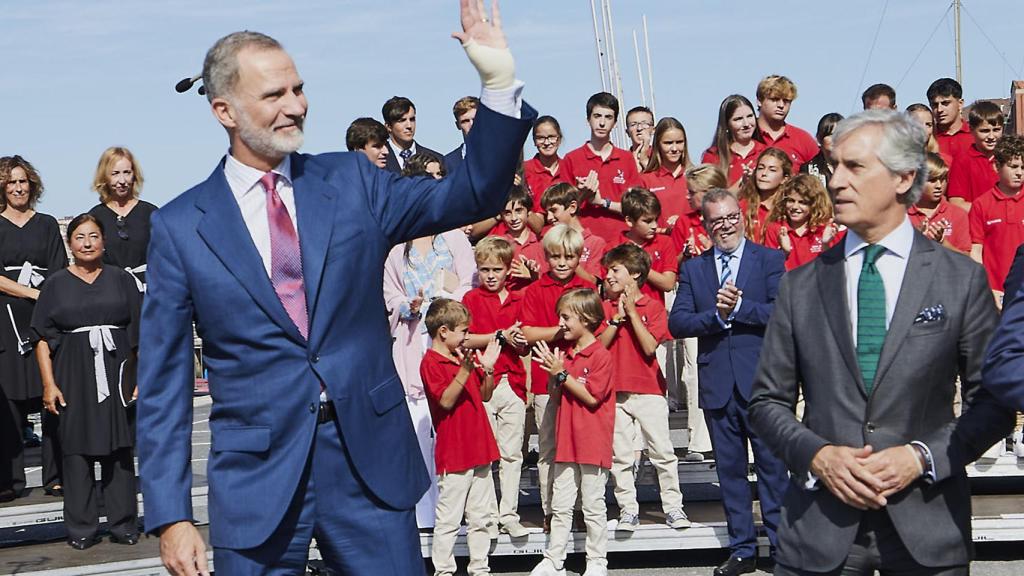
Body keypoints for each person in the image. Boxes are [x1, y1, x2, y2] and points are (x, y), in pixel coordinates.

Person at [136, 6, 536, 573]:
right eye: (274, 94)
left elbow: (470, 194)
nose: (296, 105)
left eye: (299, 89)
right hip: (257, 480)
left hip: (367, 465)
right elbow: (162, 385)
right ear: (223, 109)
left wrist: (497, 83)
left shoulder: (353, 182)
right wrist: (172, 516)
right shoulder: (180, 228)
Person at [748, 109, 1015, 576]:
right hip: (819, 528)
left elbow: (991, 402)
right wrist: (818, 456)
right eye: (834, 167)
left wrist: (921, 457)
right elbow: (767, 402)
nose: (835, 181)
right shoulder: (801, 285)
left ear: (904, 177)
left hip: (927, 526)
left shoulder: (960, 280)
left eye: (854, 167)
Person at [669, 188, 789, 576]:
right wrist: (716, 318)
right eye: (717, 220)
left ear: (743, 216)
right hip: (718, 384)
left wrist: (740, 309)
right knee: (730, 473)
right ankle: (742, 550)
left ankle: (782, 546)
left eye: (731, 217)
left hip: (762, 383)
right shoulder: (694, 268)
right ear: (705, 225)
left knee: (772, 470)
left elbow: (782, 312)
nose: (726, 226)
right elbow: (678, 322)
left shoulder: (769, 259)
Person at [32, 214, 140, 550]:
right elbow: (41, 340)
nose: (88, 243)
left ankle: (123, 524)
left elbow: (142, 333)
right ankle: (81, 528)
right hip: (73, 374)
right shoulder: (56, 284)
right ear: (70, 243)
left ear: (104, 241)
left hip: (117, 372)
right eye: (80, 237)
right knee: (75, 452)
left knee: (120, 451)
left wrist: (141, 378)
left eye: (94, 236)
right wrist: (49, 385)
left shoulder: (122, 280)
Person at [383, 217, 476, 528]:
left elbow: (468, 281)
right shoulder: (397, 247)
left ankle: (456, 512)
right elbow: (390, 294)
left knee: (453, 428)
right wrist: (409, 305)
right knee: (419, 428)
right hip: (412, 341)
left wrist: (446, 306)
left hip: (448, 336)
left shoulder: (453, 238)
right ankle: (425, 511)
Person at [598, 244, 689, 533]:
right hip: (615, 392)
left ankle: (674, 507)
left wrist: (632, 314)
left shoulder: (653, 307)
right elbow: (598, 347)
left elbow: (650, 347)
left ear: (635, 274)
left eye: (616, 270)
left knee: (662, 452)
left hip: (648, 389)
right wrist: (616, 318)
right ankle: (628, 509)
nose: (609, 275)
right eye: (608, 270)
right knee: (621, 456)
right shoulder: (604, 308)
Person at [529, 288, 613, 576]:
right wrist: (555, 375)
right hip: (566, 441)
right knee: (561, 505)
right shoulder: (563, 354)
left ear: (587, 319)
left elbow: (591, 397)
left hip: (592, 443)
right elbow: (556, 395)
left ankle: (597, 560)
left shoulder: (601, 355)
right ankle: (554, 559)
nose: (560, 323)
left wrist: (562, 373)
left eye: (566, 317)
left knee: (592, 507)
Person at [0, 155, 68, 502]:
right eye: (11, 182)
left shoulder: (46, 224)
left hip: (44, 317)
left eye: (23, 181)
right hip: (7, 320)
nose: (18, 187)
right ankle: (9, 480)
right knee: (7, 402)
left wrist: (46, 298)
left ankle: (54, 476)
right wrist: (29, 291)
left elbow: (59, 270)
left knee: (51, 396)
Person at [521, 225, 596, 532]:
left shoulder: (585, 288)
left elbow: (595, 331)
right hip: (545, 380)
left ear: (579, 256)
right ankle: (550, 510)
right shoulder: (536, 290)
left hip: (582, 377)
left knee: (578, 448)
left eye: (569, 256)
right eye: (555, 257)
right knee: (549, 448)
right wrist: (563, 330)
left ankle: (578, 508)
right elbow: (527, 333)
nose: (562, 262)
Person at [420, 298, 501, 576]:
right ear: (443, 331)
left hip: (479, 446)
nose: (468, 337)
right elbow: (445, 401)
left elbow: (485, 393)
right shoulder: (431, 362)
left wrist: (487, 369)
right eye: (464, 331)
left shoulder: (461, 356)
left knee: (480, 517)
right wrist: (466, 370)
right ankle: (443, 570)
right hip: (455, 452)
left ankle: (480, 567)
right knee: (449, 518)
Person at [461, 237, 531, 538]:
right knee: (485, 455)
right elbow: (464, 340)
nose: (491, 275)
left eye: (497, 269)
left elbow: (527, 345)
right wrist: (500, 335)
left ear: (507, 271)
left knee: (512, 453)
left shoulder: (520, 298)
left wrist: (519, 341)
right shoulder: (471, 299)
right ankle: (486, 515)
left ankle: (509, 514)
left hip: (512, 382)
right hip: (482, 382)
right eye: (485, 269)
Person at [560, 91, 642, 244]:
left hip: (622, 242)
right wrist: (581, 194)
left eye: (608, 117)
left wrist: (602, 202)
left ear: (615, 123)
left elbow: (637, 209)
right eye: (597, 116)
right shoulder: (571, 159)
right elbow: (560, 211)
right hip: (582, 243)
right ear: (588, 120)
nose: (602, 123)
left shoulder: (626, 158)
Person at [88, 147, 157, 293]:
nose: (122, 181)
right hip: (109, 293)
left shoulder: (150, 213)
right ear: (105, 177)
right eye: (115, 174)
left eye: (127, 173)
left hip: (147, 293)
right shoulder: (95, 217)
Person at [969, 134, 1024, 307]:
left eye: (1023, 167)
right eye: (1013, 166)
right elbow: (976, 252)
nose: (1019, 172)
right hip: (995, 292)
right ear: (996, 166)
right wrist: (986, 289)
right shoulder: (981, 204)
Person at [763, 174, 841, 270]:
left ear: (814, 204)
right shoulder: (776, 228)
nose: (795, 207)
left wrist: (825, 245)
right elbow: (768, 268)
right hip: (787, 283)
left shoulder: (826, 230)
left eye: (802, 202)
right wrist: (784, 252)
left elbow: (835, 268)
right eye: (791, 201)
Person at [539, 183, 607, 284]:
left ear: (572, 207)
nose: (549, 217)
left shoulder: (595, 243)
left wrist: (570, 261)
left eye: (554, 210)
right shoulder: (547, 242)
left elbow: (593, 282)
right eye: (547, 213)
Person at [619, 187, 678, 302]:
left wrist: (638, 266)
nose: (655, 225)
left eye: (656, 219)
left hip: (654, 316)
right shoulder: (615, 246)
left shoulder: (665, 242)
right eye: (647, 221)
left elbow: (669, 284)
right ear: (629, 221)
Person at [908, 152, 970, 254]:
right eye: (932, 180)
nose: (939, 185)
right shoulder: (902, 214)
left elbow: (966, 259)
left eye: (943, 179)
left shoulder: (957, 214)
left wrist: (942, 242)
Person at [754, 75, 819, 172]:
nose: (781, 105)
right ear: (759, 101)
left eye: (786, 101)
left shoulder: (803, 140)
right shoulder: (745, 135)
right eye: (774, 99)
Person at [641, 117, 694, 235]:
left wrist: (682, 222)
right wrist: (665, 231)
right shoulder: (646, 179)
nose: (674, 149)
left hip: (694, 247)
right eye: (668, 143)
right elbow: (640, 224)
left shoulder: (696, 176)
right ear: (658, 145)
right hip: (659, 247)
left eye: (679, 142)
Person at [702, 95, 768, 190]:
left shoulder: (766, 152)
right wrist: (742, 183)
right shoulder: (713, 156)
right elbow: (709, 198)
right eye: (738, 119)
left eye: (750, 116)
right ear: (727, 124)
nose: (746, 124)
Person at [947, 100, 1003, 209]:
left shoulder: (1009, 159)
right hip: (978, 223)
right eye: (985, 131)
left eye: (996, 130)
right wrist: (991, 213)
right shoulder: (963, 160)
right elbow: (956, 203)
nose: (991, 136)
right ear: (972, 130)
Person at [738, 147, 793, 244]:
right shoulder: (742, 206)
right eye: (760, 168)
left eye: (772, 170)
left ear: (784, 178)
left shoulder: (790, 207)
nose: (764, 173)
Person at [382, 95, 443, 173]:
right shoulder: (378, 158)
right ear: (388, 126)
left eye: (412, 119)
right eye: (402, 120)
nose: (409, 126)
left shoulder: (437, 159)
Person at [928, 77, 973, 162]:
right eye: (935, 105)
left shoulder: (976, 136)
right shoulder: (928, 138)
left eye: (945, 103)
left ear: (960, 104)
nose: (940, 109)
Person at [523, 115, 566, 199]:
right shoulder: (524, 170)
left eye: (551, 137)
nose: (546, 142)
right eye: (541, 138)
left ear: (559, 139)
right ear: (534, 141)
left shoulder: (568, 168)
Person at [800, 112, 843, 190]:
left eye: (839, 134)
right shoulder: (808, 169)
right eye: (830, 135)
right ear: (819, 138)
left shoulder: (853, 167)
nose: (835, 139)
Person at [443, 96, 479, 175]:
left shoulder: (502, 155)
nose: (472, 125)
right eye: (465, 121)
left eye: (475, 119)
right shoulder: (447, 163)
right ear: (458, 125)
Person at [625, 105, 655, 172]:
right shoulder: (622, 160)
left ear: (653, 130)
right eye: (633, 124)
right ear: (627, 132)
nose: (639, 128)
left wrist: (644, 161)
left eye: (644, 124)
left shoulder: (661, 157)